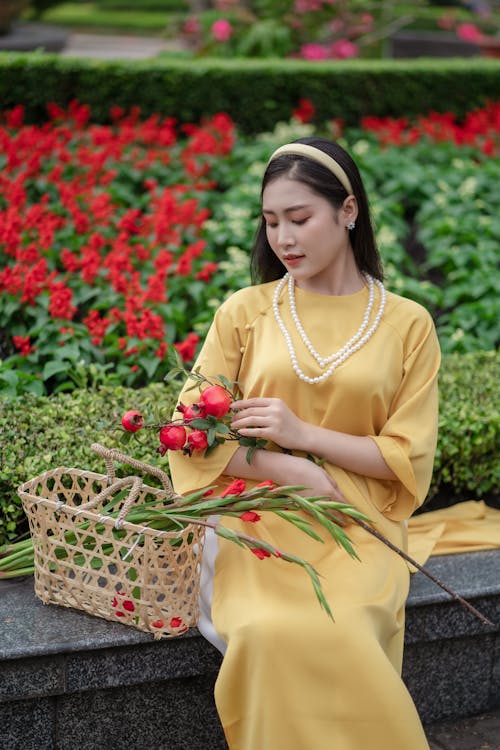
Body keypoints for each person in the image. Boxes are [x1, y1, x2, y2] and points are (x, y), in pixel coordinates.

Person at [168, 137, 441, 750]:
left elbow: (406, 455)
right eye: (271, 222)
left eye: (300, 218)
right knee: (267, 631)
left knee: (343, 628)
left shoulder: (407, 323)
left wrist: (305, 436)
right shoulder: (246, 311)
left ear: (348, 212)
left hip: (361, 515)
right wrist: (290, 468)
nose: (283, 239)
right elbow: (187, 435)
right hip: (255, 513)